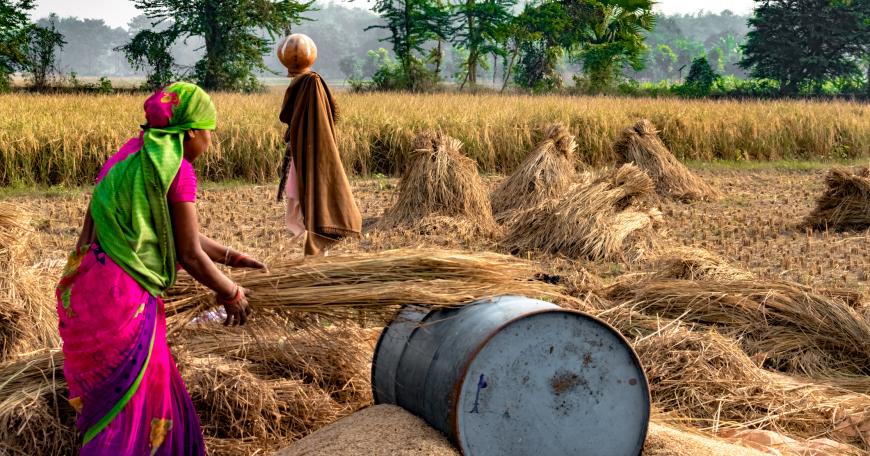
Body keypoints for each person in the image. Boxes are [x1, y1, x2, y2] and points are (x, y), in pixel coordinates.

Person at [56, 82, 266, 455]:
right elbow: (187, 252)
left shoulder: (128, 158)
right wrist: (230, 291)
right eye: (208, 133)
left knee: (115, 399)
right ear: (189, 133)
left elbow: (168, 232)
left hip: (87, 293)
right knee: (134, 406)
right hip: (125, 299)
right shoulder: (177, 170)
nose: (209, 143)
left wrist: (232, 256)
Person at [277, 34, 362, 256]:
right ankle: (315, 255)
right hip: (305, 153)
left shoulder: (310, 85)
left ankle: (317, 252)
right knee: (308, 203)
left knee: (315, 199)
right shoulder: (307, 85)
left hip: (312, 154)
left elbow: (315, 129)